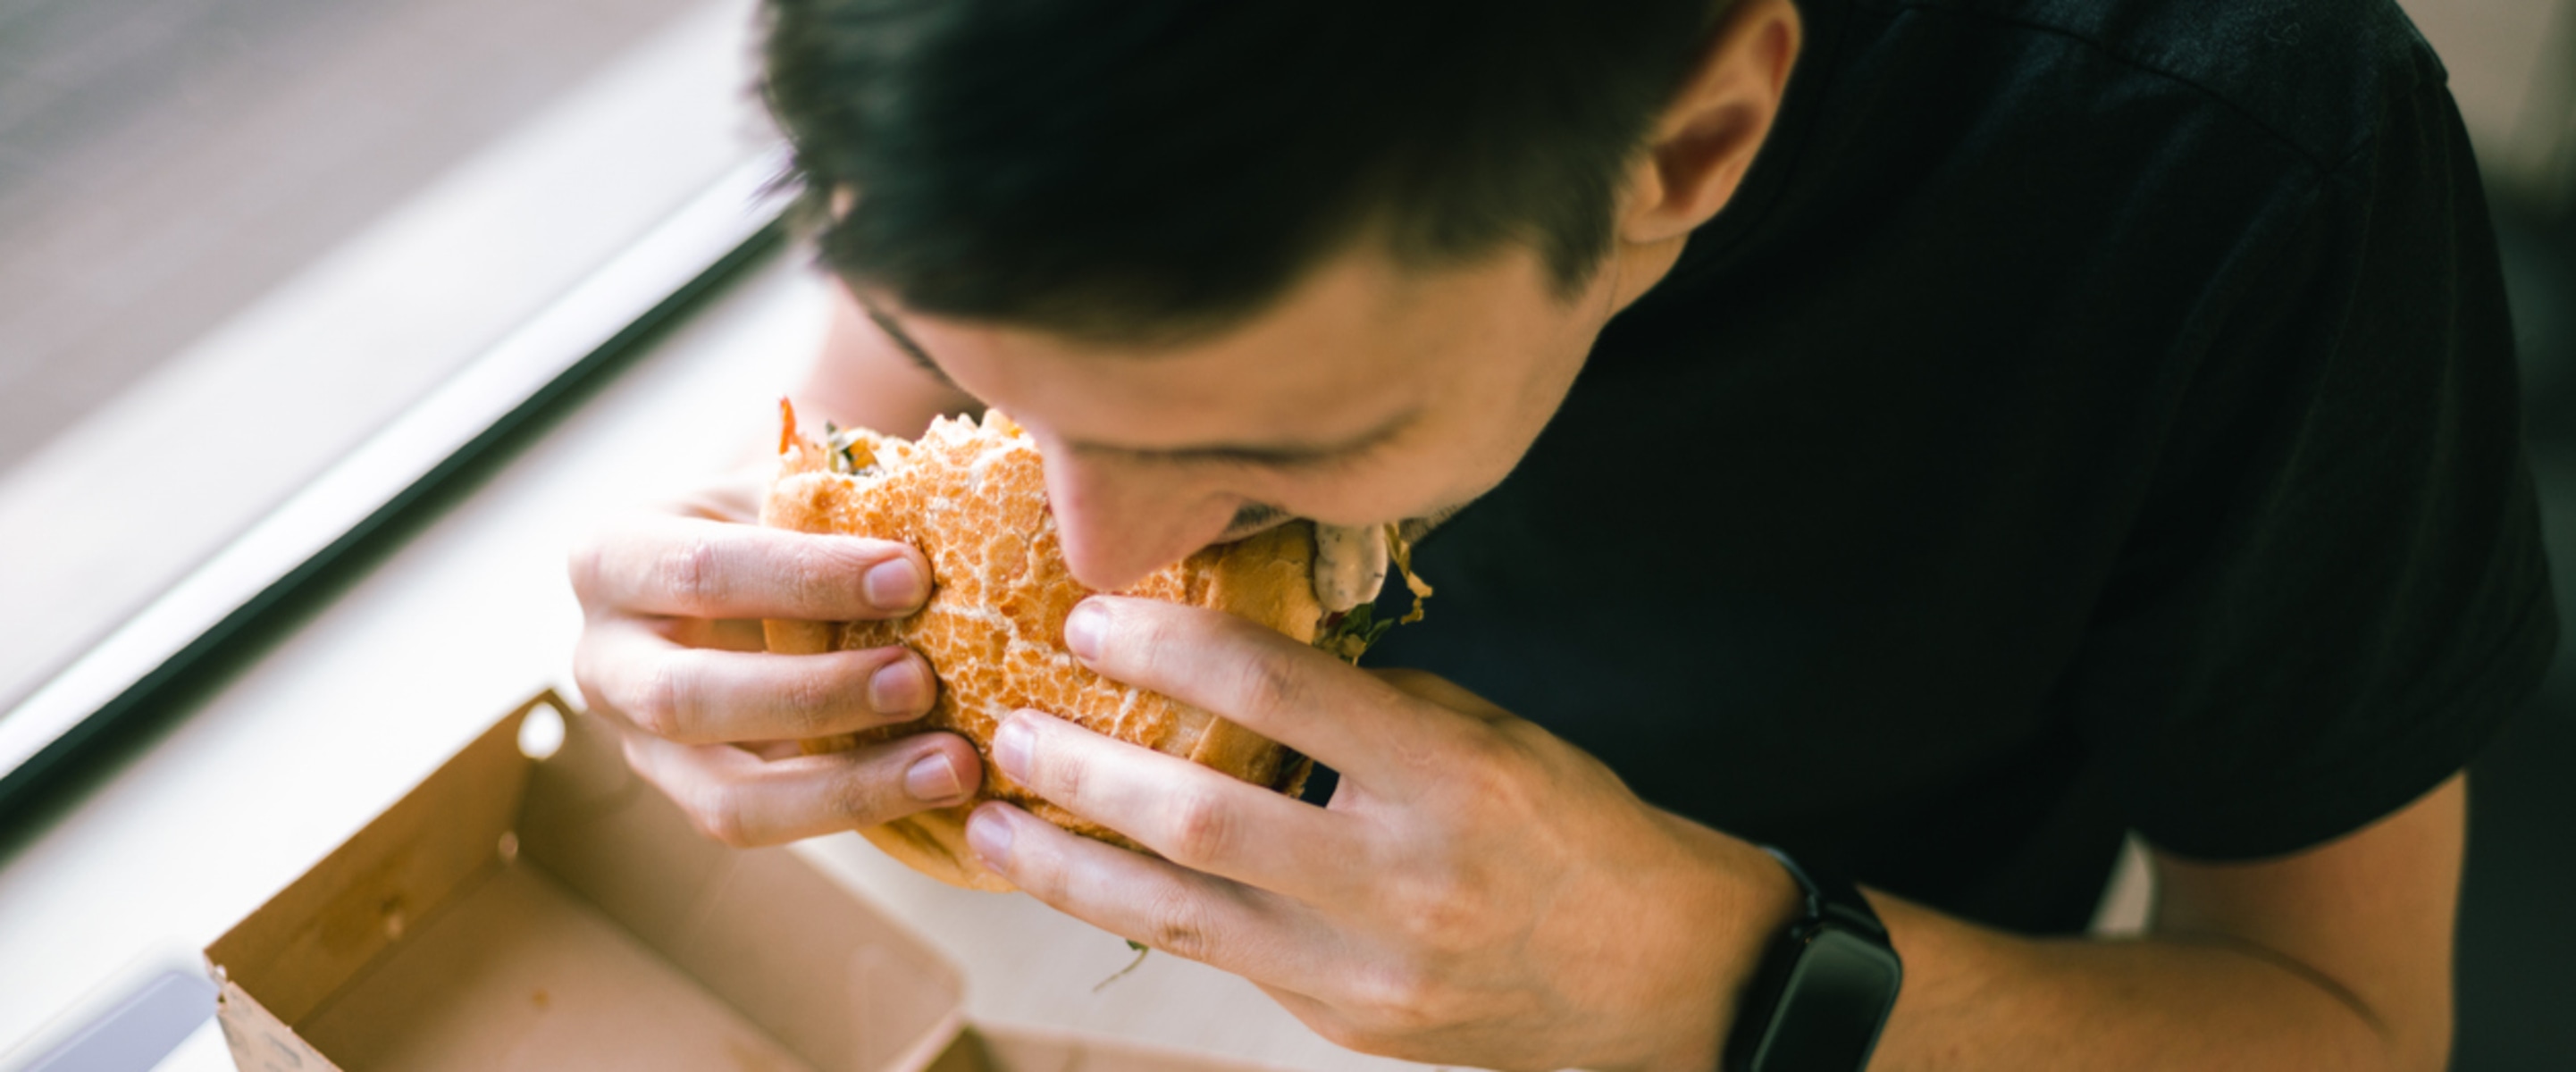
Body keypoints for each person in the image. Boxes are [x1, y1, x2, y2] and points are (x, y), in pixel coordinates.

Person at [566, 0, 2554, 1067]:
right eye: (1035, 405)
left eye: (1273, 445)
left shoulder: (2248, 170)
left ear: (1683, 150)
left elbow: (2343, 1031)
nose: (1093, 551)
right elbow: (866, 408)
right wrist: (746, 620)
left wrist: (1713, 983)